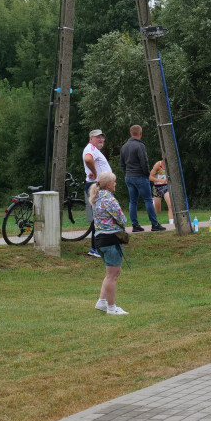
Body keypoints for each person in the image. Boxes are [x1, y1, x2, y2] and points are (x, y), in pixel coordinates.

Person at [89, 171, 128, 315]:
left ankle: (102, 302)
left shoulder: (97, 197)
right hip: (111, 239)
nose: (116, 184)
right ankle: (112, 308)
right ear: (108, 184)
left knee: (110, 274)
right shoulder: (109, 199)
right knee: (113, 275)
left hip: (100, 239)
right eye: (114, 181)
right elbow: (122, 218)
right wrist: (123, 222)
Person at [119, 125, 164, 234]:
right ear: (140, 133)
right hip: (140, 176)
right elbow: (144, 162)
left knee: (133, 201)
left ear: (130, 133)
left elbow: (122, 163)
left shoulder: (124, 147)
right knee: (148, 200)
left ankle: (135, 225)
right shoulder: (140, 146)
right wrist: (146, 174)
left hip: (129, 177)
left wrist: (127, 173)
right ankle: (155, 224)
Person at [82, 129, 112, 258]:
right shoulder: (91, 149)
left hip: (98, 185)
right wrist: (95, 173)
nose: (100, 139)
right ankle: (95, 248)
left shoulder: (95, 150)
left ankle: (99, 247)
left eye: (102, 137)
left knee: (100, 217)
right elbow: (88, 159)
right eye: (97, 137)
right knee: (99, 217)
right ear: (91, 139)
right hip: (96, 186)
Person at [149, 159, 173, 225]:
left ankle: (171, 223)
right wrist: (160, 180)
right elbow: (150, 177)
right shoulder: (158, 164)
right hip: (157, 188)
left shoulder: (170, 165)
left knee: (170, 205)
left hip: (166, 187)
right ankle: (153, 202)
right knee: (158, 211)